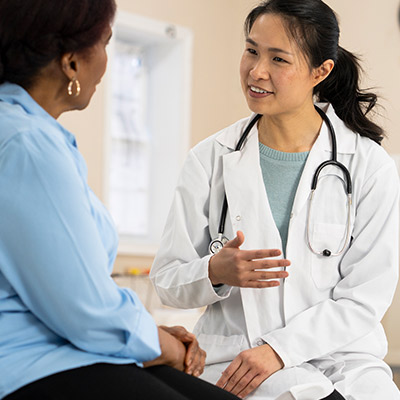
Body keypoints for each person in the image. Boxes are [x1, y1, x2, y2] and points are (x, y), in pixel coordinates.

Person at [150, 0, 400, 399]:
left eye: (278, 59)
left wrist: (281, 350)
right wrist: (215, 269)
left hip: (346, 364)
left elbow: (364, 297)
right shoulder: (210, 158)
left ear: (321, 71)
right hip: (239, 357)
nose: (256, 71)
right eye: (251, 50)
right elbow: (167, 281)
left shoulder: (369, 166)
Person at [0, 1, 241, 399]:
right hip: (34, 363)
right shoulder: (28, 146)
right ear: (72, 63)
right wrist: (161, 343)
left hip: (69, 348)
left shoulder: (32, 134)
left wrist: (149, 334)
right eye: (105, 44)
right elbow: (83, 309)